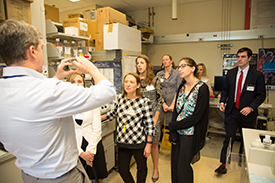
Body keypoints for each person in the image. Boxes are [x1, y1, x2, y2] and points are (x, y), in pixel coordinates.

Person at [0, 19, 116, 183]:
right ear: (32, 51)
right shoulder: (50, 91)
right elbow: (108, 91)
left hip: (30, 176)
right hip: (61, 178)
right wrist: (92, 69)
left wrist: (55, 78)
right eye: (41, 48)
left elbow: (37, 104)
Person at [215, 47, 266, 174]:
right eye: (238, 57)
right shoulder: (231, 73)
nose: (239, 59)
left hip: (247, 113)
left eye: (243, 57)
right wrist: (222, 102)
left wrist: (250, 107)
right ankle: (223, 164)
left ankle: (243, 162)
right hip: (232, 111)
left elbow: (261, 95)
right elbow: (225, 90)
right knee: (229, 138)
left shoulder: (257, 75)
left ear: (249, 58)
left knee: (245, 139)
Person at [101, 73, 154, 183]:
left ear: (138, 85)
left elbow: (149, 124)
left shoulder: (144, 102)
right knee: (122, 169)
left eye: (132, 82)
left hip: (139, 142)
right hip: (123, 141)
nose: (128, 84)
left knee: (142, 168)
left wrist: (148, 144)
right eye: (126, 82)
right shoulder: (120, 99)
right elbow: (114, 113)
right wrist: (99, 117)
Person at [169, 57, 209, 183]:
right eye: (179, 67)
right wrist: (173, 131)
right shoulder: (182, 87)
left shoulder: (202, 88)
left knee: (183, 167)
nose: (180, 69)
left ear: (193, 68)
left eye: (183, 66)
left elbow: (196, 117)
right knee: (175, 166)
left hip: (190, 134)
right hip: (178, 132)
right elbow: (176, 110)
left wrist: (174, 126)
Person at [66, 73, 108, 183]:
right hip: (75, 147)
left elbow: (97, 128)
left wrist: (90, 152)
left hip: (93, 143)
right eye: (73, 82)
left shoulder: (92, 102)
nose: (77, 84)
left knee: (96, 178)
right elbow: (66, 133)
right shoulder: (65, 105)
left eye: (79, 81)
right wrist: (81, 153)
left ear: (84, 84)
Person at [136, 55, 162, 182]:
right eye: (137, 63)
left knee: (153, 145)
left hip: (153, 117)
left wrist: (155, 120)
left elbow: (159, 100)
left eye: (141, 62)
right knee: (142, 146)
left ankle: (155, 169)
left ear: (147, 64)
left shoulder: (155, 80)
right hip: (139, 119)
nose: (139, 65)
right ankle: (142, 169)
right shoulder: (135, 80)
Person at [156, 54, 182, 134]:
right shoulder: (159, 74)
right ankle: (160, 141)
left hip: (173, 102)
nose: (165, 61)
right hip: (161, 102)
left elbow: (178, 89)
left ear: (171, 61)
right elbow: (158, 89)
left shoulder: (177, 73)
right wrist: (163, 103)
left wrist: (173, 103)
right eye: (163, 60)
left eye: (167, 59)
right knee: (159, 122)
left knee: (172, 123)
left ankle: (171, 142)